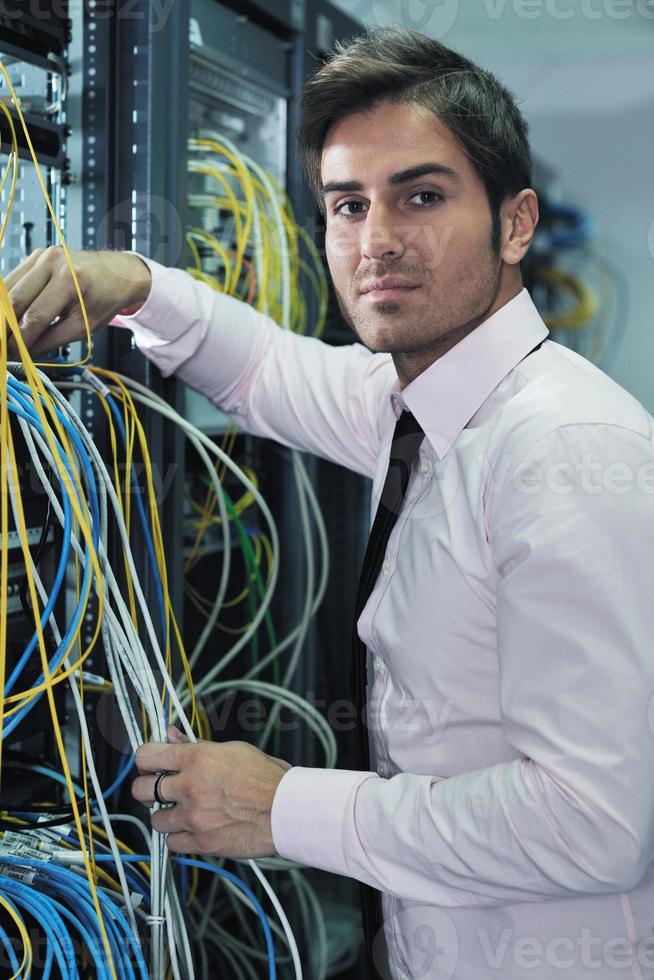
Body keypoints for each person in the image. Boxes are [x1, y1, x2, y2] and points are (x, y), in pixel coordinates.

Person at [7, 25, 654, 980]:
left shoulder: (559, 452)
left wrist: (282, 807)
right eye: (348, 205)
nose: (378, 240)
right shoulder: (422, 407)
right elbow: (272, 369)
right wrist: (133, 286)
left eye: (421, 196)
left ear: (516, 224)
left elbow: (596, 824)